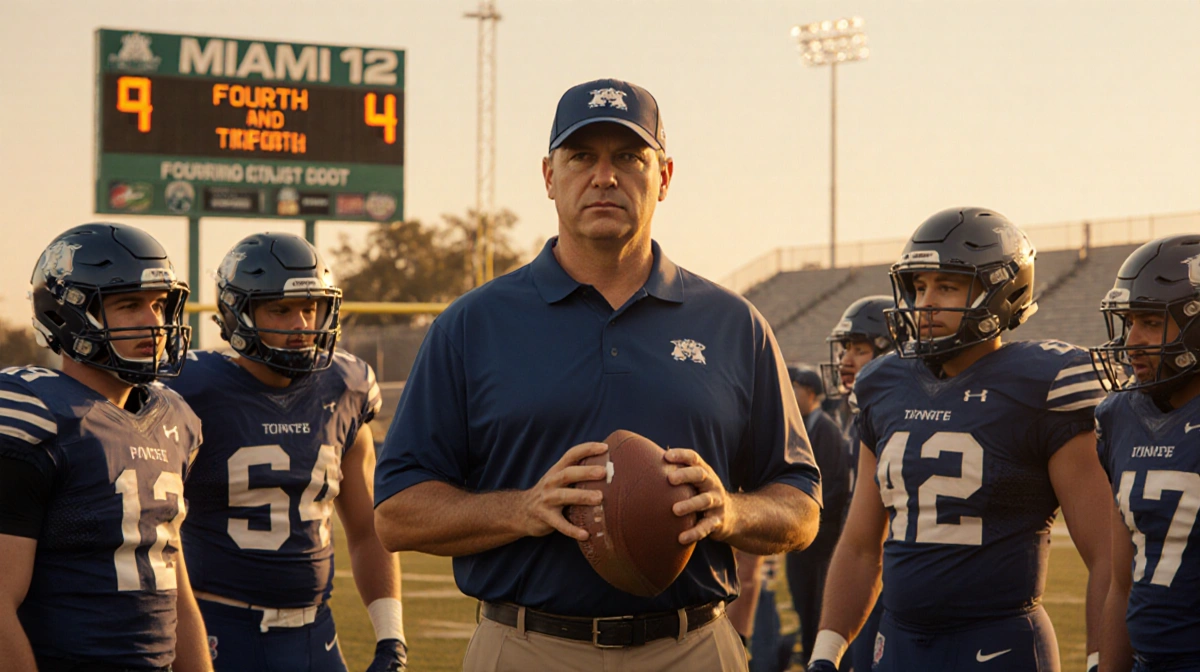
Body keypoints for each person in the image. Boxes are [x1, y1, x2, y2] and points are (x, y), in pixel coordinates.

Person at [373, 77, 822, 672]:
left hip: (692, 647)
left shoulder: (734, 324)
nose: (604, 176)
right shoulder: (472, 324)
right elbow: (397, 512)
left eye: (629, 157)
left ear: (663, 177)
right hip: (525, 646)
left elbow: (802, 507)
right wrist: (523, 508)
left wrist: (731, 511)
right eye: (582, 156)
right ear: (548, 176)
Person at [807, 207, 1113, 672]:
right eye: (918, 286)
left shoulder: (1044, 384)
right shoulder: (883, 384)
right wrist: (826, 654)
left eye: (945, 286)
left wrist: (1100, 661)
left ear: (1000, 291)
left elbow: (1106, 553)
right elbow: (861, 543)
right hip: (896, 644)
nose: (925, 302)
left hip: (999, 646)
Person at [167, 232, 406, 672]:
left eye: (310, 308)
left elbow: (368, 529)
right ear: (238, 313)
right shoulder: (189, 392)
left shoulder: (346, 386)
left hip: (316, 632)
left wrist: (391, 637)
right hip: (218, 626)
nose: (301, 325)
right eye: (281, 309)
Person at [0, 223, 212, 672]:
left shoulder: (174, 418)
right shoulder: (32, 414)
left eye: (158, 304)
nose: (154, 321)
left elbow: (175, 584)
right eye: (129, 304)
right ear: (67, 315)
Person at [1091, 235, 1200, 672]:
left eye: (1152, 322)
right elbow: (1122, 584)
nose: (1132, 340)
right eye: (1130, 321)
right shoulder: (1120, 415)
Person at [819, 294, 895, 671]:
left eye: (859, 349)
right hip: (863, 566)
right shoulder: (860, 416)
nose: (845, 360)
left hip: (894, 574)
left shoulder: (896, 419)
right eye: (845, 348)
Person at [785, 365, 850, 667]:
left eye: (794, 385)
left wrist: (810, 515)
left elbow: (834, 487)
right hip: (800, 538)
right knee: (802, 603)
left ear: (810, 393)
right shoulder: (797, 426)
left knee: (817, 607)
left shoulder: (824, 428)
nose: (789, 390)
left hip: (821, 540)